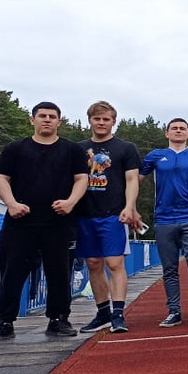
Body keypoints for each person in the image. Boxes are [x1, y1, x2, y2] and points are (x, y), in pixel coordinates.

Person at [0, 102, 89, 342]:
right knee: (12, 272)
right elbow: (1, 178)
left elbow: (82, 178)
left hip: (59, 221)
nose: (47, 119)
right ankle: (4, 323)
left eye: (52, 116)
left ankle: (58, 319)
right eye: (42, 116)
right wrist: (11, 203)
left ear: (59, 122)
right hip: (20, 221)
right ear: (33, 120)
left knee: (60, 273)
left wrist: (70, 201)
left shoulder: (72, 150)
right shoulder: (15, 149)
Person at [140, 118, 188, 327]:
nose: (178, 131)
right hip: (164, 218)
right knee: (169, 268)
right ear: (166, 133)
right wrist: (131, 206)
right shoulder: (156, 156)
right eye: (174, 128)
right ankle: (173, 311)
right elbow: (135, 180)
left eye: (182, 128)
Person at [76, 101, 142, 335]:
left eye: (106, 119)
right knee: (93, 264)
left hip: (113, 213)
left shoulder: (126, 148)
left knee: (115, 263)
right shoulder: (79, 148)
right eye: (97, 119)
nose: (101, 123)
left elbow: (132, 179)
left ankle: (118, 313)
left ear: (114, 121)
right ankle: (102, 311)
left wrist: (129, 206)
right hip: (85, 213)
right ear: (90, 121)